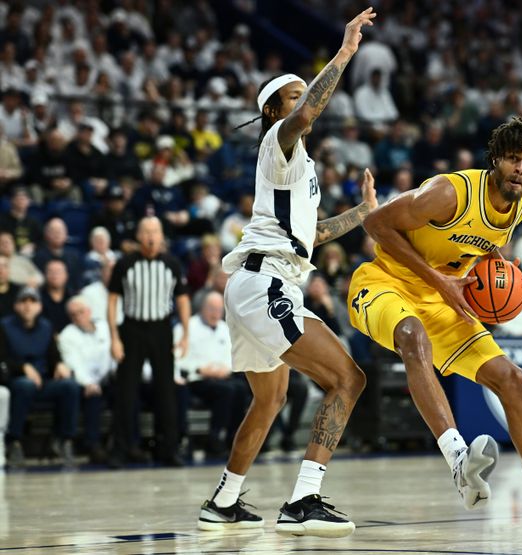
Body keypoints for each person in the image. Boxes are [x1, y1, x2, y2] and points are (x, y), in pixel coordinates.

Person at [350, 117, 522, 543]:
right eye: (515, 158)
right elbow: (377, 226)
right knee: (412, 336)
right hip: (384, 283)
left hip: (446, 298)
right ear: (497, 158)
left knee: (513, 380)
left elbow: (481, 243)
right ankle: (459, 459)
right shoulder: (450, 192)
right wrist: (439, 279)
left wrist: (503, 276)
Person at [196, 7, 377, 538]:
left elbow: (311, 236)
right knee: (348, 379)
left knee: (270, 398)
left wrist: (362, 215)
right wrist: (343, 54)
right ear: (273, 111)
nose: (305, 102)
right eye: (295, 95)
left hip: (259, 280)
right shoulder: (278, 143)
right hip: (265, 284)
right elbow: (304, 118)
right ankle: (304, 499)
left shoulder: (297, 168)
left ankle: (223, 502)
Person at [107, 217, 190, 468]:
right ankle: (121, 449)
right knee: (126, 392)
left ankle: (168, 449)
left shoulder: (172, 264)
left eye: (155, 231)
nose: (151, 236)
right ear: (139, 236)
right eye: (146, 232)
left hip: (161, 329)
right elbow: (112, 301)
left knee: (166, 391)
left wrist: (186, 333)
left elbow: (183, 299)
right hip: (132, 329)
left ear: (162, 235)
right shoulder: (124, 264)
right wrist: (114, 337)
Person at [4, 287, 81, 468]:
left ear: (39, 306)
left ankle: (63, 440)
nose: (28, 306)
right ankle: (14, 442)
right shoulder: (4, 327)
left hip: (43, 381)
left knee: (70, 386)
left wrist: (60, 364)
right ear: (16, 306)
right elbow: (3, 358)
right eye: (23, 302)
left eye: (32, 302)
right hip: (15, 381)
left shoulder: (46, 327)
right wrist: (22, 367)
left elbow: (54, 356)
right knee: (25, 386)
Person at [174, 292, 248, 457]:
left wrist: (226, 370)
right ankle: (214, 439)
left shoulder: (225, 328)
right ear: (202, 308)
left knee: (241, 388)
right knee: (226, 390)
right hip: (196, 378)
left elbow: (234, 356)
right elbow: (176, 358)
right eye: (212, 309)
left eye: (219, 309)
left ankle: (232, 438)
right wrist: (199, 369)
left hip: (223, 376)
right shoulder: (186, 327)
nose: (215, 313)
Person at [58, 296, 114, 464]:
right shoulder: (67, 335)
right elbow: (73, 363)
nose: (78, 316)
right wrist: (88, 382)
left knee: (128, 392)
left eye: (81, 312)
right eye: (73, 314)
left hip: (108, 378)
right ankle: (93, 445)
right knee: (92, 396)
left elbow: (113, 353)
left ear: (89, 311)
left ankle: (124, 442)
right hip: (85, 382)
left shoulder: (105, 327)